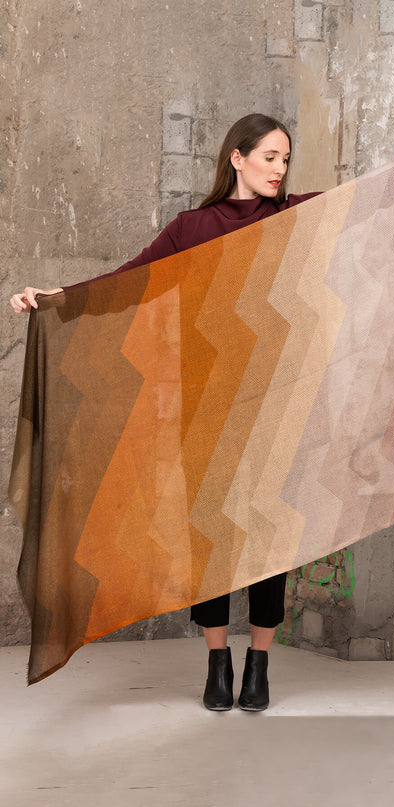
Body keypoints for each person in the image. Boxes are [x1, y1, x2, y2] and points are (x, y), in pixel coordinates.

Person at [10, 113, 319, 712]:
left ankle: (259, 663)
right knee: (206, 537)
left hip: (272, 399)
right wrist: (53, 299)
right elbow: (123, 285)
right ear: (237, 157)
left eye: (286, 160)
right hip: (200, 401)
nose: (281, 170)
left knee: (265, 537)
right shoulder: (192, 228)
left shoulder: (292, 218)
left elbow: (378, 199)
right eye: (270, 157)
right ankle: (217, 662)